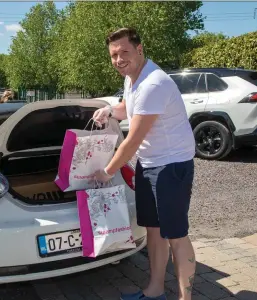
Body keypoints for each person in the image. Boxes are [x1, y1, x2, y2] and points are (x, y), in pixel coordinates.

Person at [92, 27, 196, 300]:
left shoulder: (154, 83)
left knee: (176, 235)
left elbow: (131, 142)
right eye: (113, 55)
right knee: (153, 229)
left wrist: (106, 172)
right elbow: (128, 108)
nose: (118, 59)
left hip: (172, 165)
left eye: (124, 52)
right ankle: (154, 291)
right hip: (149, 163)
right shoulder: (132, 78)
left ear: (140, 49)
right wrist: (109, 109)